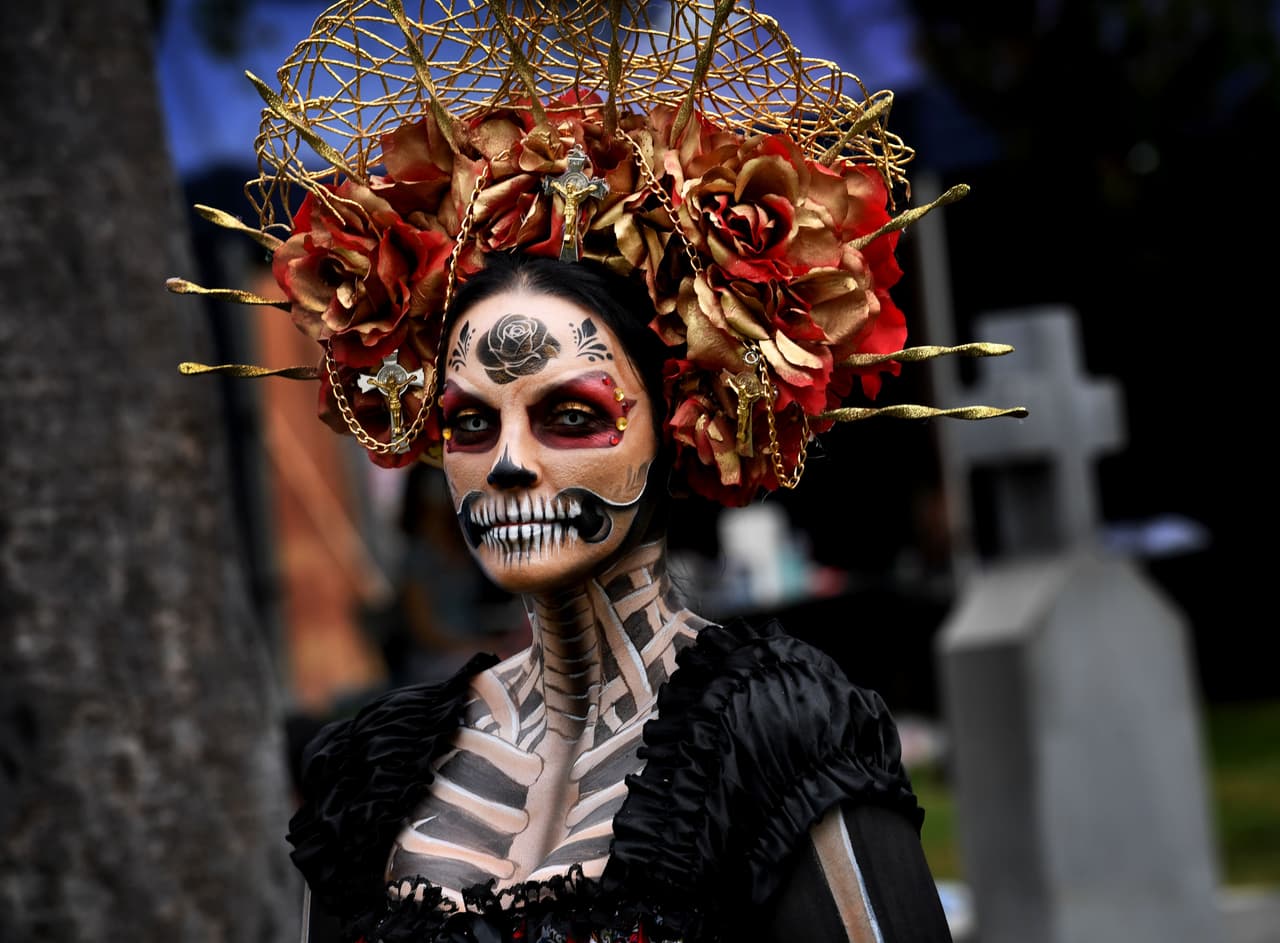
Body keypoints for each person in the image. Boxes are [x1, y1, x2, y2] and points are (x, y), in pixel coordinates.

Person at [170, 2, 1025, 940]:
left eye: (569, 416)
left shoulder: (774, 739)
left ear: (681, 416)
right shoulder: (372, 775)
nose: (507, 462)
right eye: (469, 421)